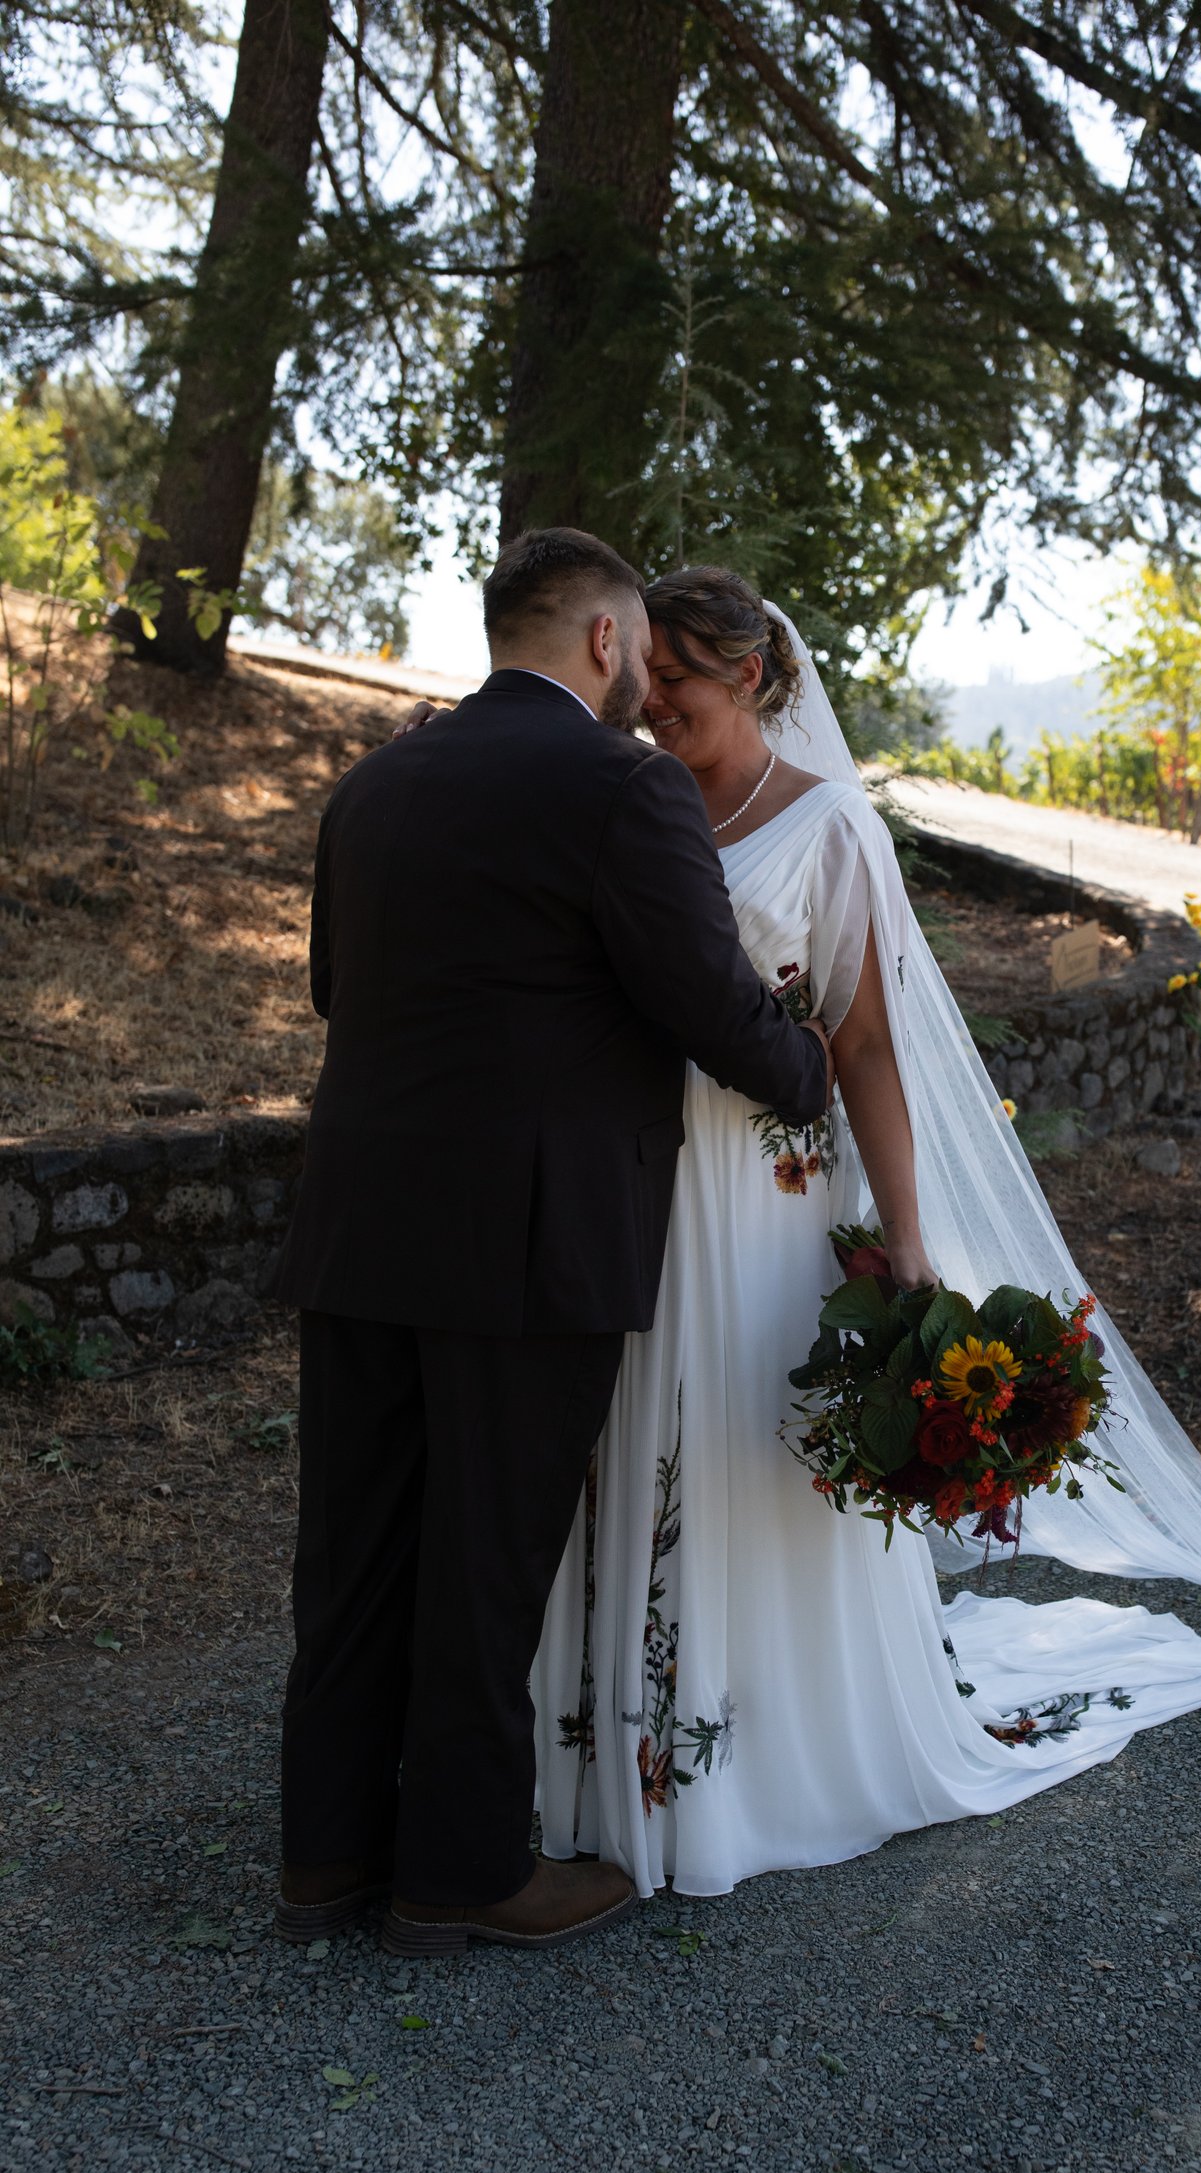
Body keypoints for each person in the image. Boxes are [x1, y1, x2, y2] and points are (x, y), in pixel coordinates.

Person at [521, 565, 1201, 1899]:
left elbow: (865, 1043)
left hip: (768, 1195)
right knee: (633, 1438)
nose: (652, 705)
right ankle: (613, 1748)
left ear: (752, 677)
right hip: (643, 1185)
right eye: (642, 681)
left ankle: (763, 1751)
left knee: (745, 1445)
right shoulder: (630, 803)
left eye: (678, 684)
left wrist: (907, 1234)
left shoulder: (827, 827)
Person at [270, 530, 833, 1954]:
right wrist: (808, 1068)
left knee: (353, 1552)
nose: (645, 676)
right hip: (529, 1241)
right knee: (488, 1557)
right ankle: (461, 1874)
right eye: (639, 645)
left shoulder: (375, 783)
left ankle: (327, 1854)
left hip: (358, 1224)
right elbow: (703, 998)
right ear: (602, 638)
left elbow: (338, 986)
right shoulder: (624, 786)